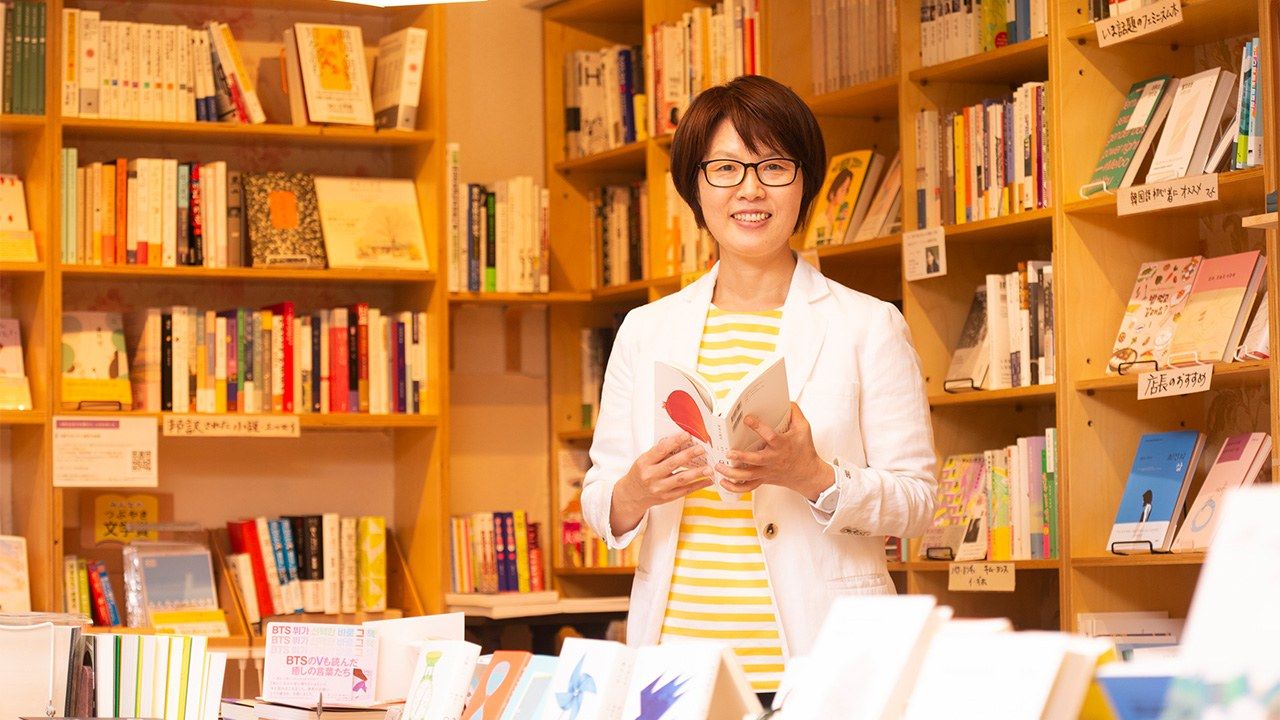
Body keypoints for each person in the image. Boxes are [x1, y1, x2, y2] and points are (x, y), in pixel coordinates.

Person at [578, 75, 937, 703]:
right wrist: (635, 490)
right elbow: (600, 497)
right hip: (676, 669)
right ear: (695, 186)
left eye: (773, 166)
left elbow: (918, 502)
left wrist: (814, 477)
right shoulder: (645, 330)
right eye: (725, 169)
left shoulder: (868, 325)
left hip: (820, 664)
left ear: (804, 183)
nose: (750, 189)